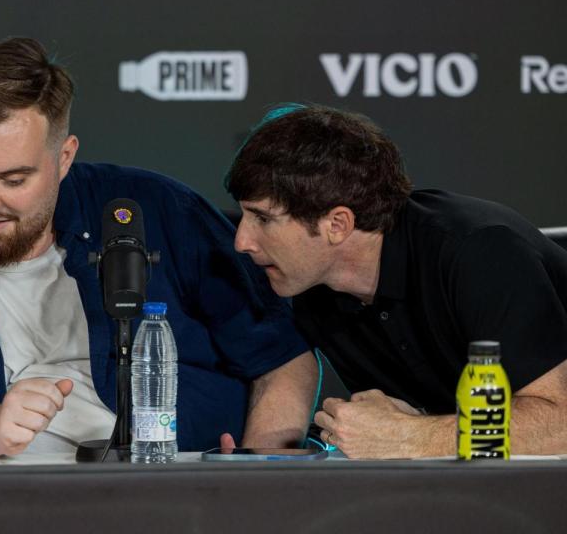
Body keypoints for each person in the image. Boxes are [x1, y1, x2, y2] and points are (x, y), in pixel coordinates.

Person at [0, 37, 316, 457]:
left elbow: (281, 358)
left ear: (64, 156)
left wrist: (262, 467)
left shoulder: (156, 210)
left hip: (178, 493)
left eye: (14, 179)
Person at [226, 103, 567, 458]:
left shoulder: (479, 252)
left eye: (262, 218)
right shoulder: (317, 292)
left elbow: (560, 424)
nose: (241, 241)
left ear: (337, 224)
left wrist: (410, 436)